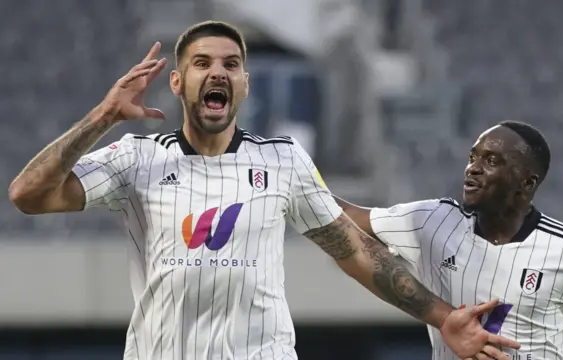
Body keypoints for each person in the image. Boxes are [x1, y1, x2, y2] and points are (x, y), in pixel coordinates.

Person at [8, 21, 520, 360]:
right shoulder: (136, 159)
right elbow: (27, 195)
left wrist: (444, 316)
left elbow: (356, 252)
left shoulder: (281, 160)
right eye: (204, 63)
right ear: (178, 82)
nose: (218, 73)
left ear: (245, 84)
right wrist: (103, 116)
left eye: (231, 65)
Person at [335, 121, 563, 359]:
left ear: (527, 182)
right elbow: (344, 215)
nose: (473, 168)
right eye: (473, 157)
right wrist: (300, 178)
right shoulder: (432, 220)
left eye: (491, 160)